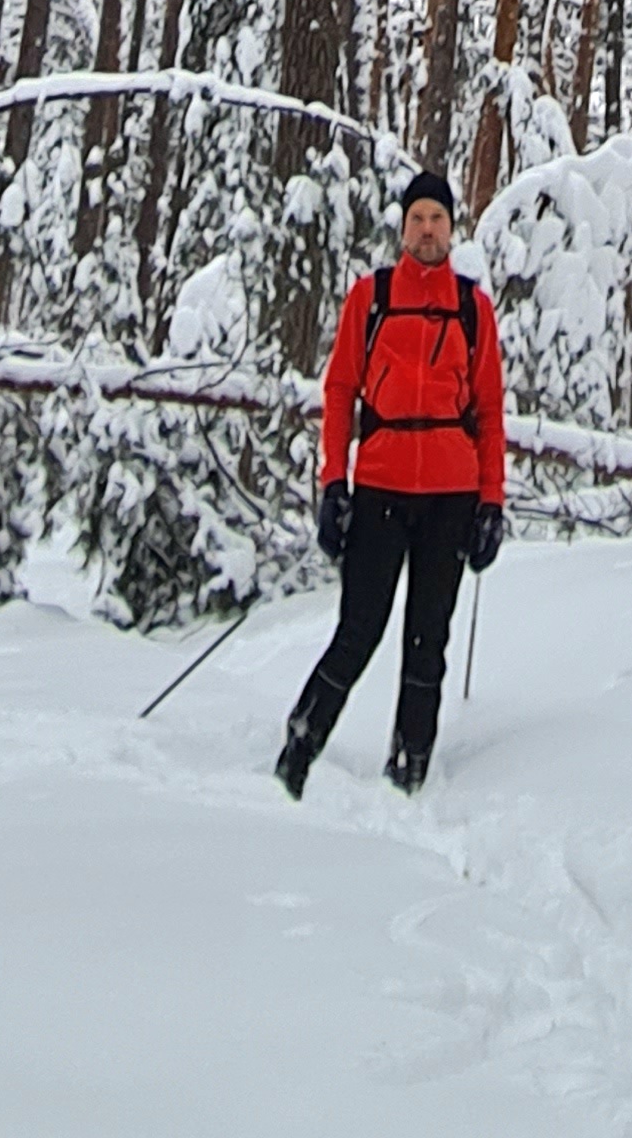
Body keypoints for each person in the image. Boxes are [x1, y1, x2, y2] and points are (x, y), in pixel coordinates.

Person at [275, 167, 505, 797]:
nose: (427, 230)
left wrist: (491, 503)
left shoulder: (472, 308)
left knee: (428, 640)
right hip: (380, 488)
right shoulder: (370, 298)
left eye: (437, 220)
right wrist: (333, 484)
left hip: (451, 497)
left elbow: (489, 412)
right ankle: (299, 748)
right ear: (403, 229)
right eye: (417, 220)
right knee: (359, 629)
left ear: (452, 229)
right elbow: (340, 392)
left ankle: (410, 769)